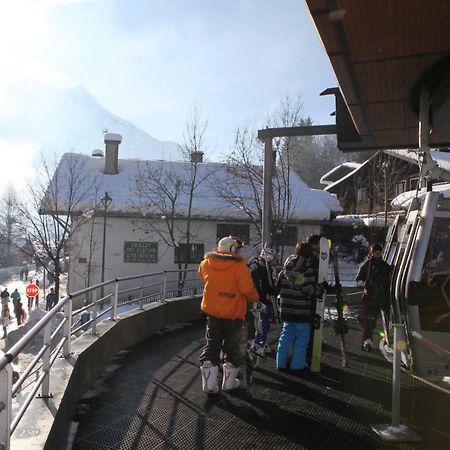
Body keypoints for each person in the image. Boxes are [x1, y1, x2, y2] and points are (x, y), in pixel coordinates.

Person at [198, 236, 259, 394]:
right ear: (233, 249)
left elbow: (203, 277)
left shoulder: (206, 263)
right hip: (233, 313)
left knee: (212, 344)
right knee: (232, 346)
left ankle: (209, 384)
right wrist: (255, 298)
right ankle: (229, 383)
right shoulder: (240, 267)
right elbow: (247, 289)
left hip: (212, 312)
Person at [276, 242, 324, 371]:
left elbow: (278, 284)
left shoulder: (287, 266)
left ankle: (280, 363)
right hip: (302, 310)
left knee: (285, 337)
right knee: (302, 340)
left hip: (286, 309)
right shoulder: (307, 268)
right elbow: (309, 289)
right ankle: (297, 365)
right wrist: (321, 288)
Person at [356, 243, 391, 352]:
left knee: (387, 320)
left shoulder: (385, 266)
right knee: (370, 322)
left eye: (379, 253)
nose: (378, 255)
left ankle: (389, 339)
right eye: (376, 253)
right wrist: (365, 284)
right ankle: (368, 341)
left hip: (384, 297)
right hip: (371, 299)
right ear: (371, 253)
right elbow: (358, 281)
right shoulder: (366, 266)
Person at [248, 248, 277, 353]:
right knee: (262, 325)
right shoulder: (255, 267)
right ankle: (257, 344)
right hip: (258, 301)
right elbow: (255, 286)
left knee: (265, 325)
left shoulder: (267, 267)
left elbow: (267, 284)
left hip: (265, 299)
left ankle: (262, 342)